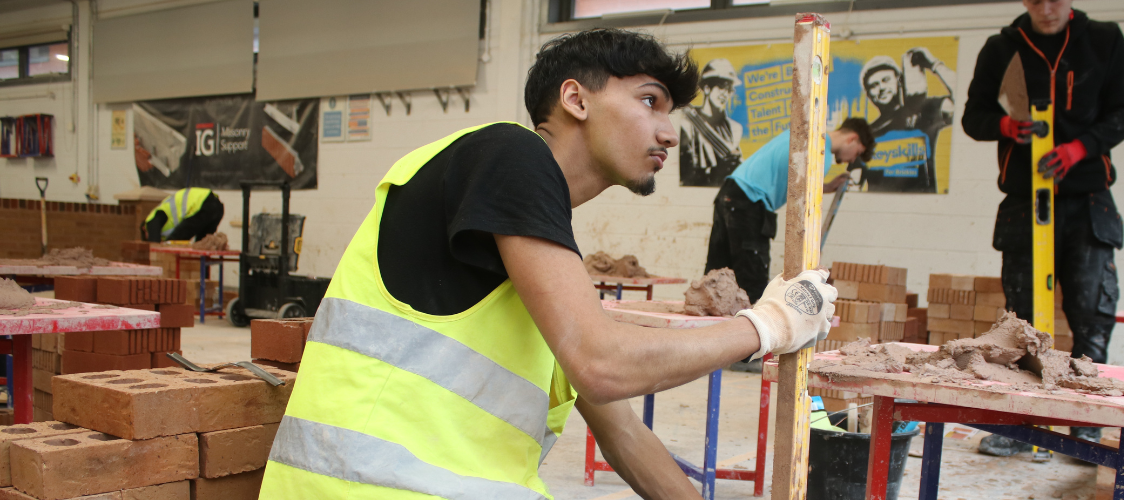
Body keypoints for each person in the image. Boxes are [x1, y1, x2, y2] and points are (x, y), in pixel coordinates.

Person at [259, 29, 838, 500]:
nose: (668, 131)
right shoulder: (512, 153)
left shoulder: (535, 256)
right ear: (576, 99)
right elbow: (601, 364)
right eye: (648, 100)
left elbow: (624, 432)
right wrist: (768, 326)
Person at [962, 0, 1124, 455]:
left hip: (1086, 199)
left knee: (1091, 316)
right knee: (1020, 323)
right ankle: (1020, 425)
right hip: (1025, 201)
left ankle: (1086, 425)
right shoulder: (1002, 48)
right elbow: (973, 117)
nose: (1045, 9)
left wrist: (1080, 149)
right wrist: (1004, 124)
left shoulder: (1104, 40)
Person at [705, 118, 873, 306]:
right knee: (752, 281)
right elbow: (803, 201)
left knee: (717, 274)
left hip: (730, 193)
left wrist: (826, 186)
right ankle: (751, 333)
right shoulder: (820, 153)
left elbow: (793, 179)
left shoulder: (802, 135)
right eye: (857, 154)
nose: (851, 160)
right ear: (852, 139)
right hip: (750, 202)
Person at [859, 47, 955, 193]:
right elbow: (855, 179)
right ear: (869, 94)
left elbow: (966, 101)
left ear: (899, 81)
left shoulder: (924, 112)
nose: (881, 88)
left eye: (886, 80)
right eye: (874, 85)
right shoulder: (866, 132)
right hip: (877, 207)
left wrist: (934, 65)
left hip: (920, 206)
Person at [678, 58, 744, 186]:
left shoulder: (734, 128)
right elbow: (684, 178)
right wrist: (715, 172)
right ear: (707, 88)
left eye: (729, 89)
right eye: (721, 87)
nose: (725, 94)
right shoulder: (687, 124)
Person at [141, 187, 224, 243]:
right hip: (217, 207)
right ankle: (200, 270)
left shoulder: (151, 220)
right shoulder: (164, 222)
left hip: (201, 204)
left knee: (174, 243)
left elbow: (154, 242)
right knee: (201, 246)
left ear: (144, 229)